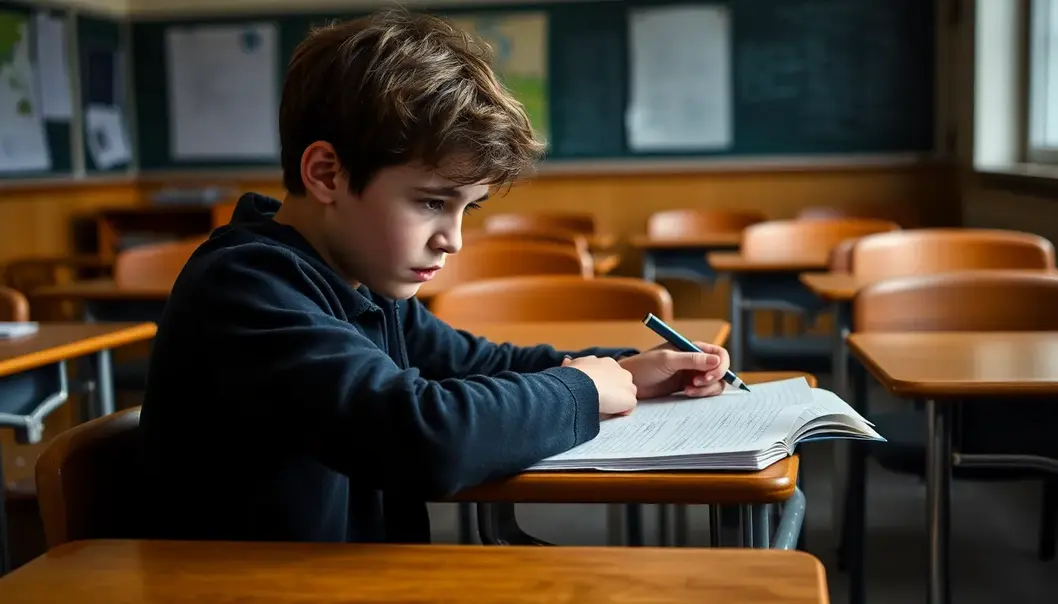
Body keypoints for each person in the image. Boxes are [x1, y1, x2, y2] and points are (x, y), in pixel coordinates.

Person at [138, 8, 731, 544]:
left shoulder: (356, 277)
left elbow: (476, 363)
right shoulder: (245, 289)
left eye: (466, 207)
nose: (453, 239)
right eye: (429, 203)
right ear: (326, 174)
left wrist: (624, 370)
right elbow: (425, 438)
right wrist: (581, 389)